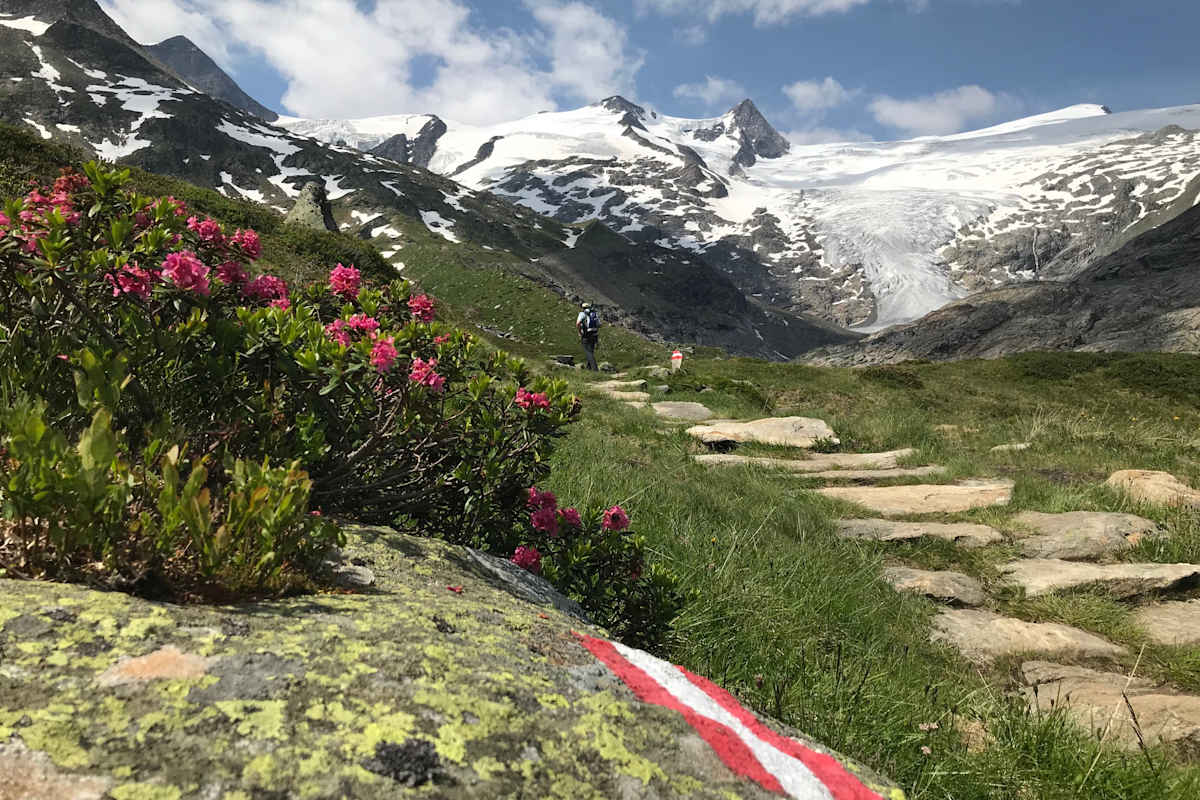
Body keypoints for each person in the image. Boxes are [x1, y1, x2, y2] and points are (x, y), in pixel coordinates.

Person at [576, 302, 600, 370]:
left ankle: (595, 369)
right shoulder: (594, 314)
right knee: (591, 351)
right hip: (594, 334)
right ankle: (588, 369)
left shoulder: (582, 313)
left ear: (583, 308)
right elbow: (599, 325)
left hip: (586, 334)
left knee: (588, 352)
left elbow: (577, 323)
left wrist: (580, 332)